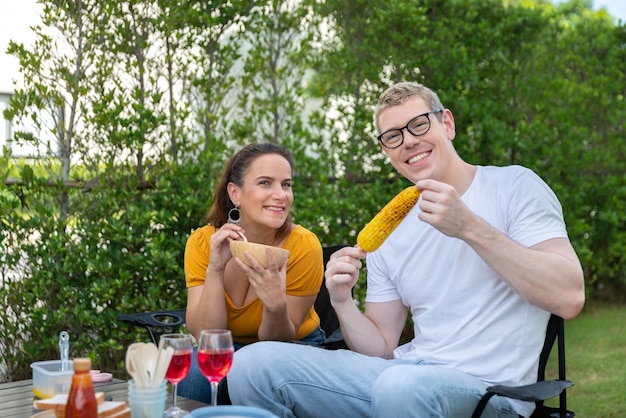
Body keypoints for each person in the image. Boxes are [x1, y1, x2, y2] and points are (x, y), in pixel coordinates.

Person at [226, 82, 585, 417]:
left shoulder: (514, 186)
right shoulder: (393, 229)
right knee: (252, 365)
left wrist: (469, 227)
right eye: (393, 136)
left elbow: (568, 296)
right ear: (386, 150)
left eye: (418, 125)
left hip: (490, 391)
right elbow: (381, 346)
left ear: (447, 123)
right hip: (403, 372)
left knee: (400, 387)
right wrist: (341, 300)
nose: (408, 142)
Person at [178, 142, 325, 404]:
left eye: (286, 184)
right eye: (266, 183)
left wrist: (275, 304)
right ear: (235, 193)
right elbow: (205, 335)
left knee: (252, 368)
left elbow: (277, 339)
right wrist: (215, 269)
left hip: (294, 346)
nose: (281, 194)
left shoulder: (303, 245)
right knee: (194, 372)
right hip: (227, 346)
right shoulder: (203, 243)